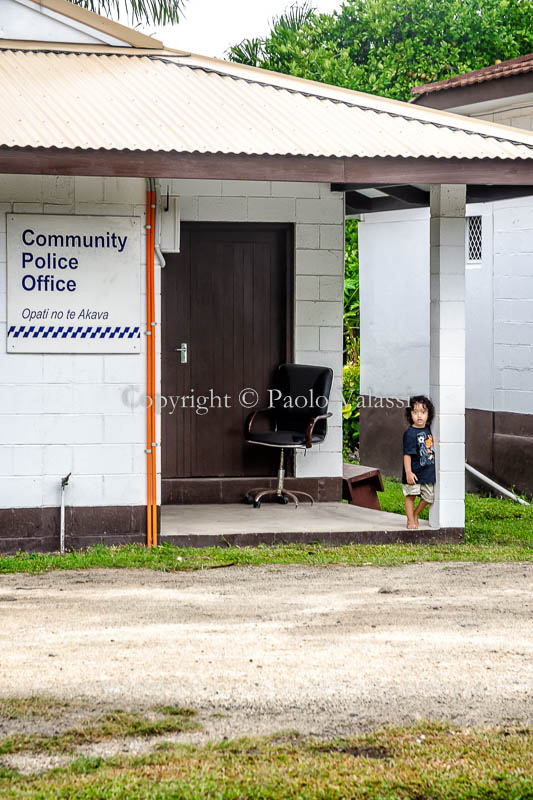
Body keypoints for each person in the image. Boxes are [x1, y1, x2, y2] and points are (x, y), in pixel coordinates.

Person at [402, 395, 436, 530]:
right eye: (415, 412)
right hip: (414, 472)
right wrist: (408, 472)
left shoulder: (429, 430)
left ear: (428, 414)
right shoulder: (410, 433)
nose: (419, 416)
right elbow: (407, 454)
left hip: (427, 472)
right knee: (411, 496)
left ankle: (416, 514)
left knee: (429, 497)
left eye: (423, 412)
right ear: (410, 414)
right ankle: (410, 520)